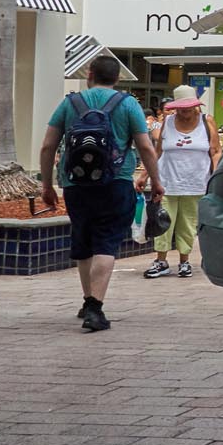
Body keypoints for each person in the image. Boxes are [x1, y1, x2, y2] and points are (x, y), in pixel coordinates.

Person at [39, 55, 163, 333]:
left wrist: (47, 186)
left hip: (75, 185)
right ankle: (95, 307)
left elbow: (48, 146)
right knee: (106, 242)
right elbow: (145, 146)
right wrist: (156, 180)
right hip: (116, 182)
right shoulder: (128, 104)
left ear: (90, 73)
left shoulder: (70, 103)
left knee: (84, 241)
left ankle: (87, 300)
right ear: (117, 78)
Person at [144, 84, 220, 279]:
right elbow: (158, 151)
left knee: (188, 224)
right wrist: (145, 175)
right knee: (163, 222)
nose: (185, 112)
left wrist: (217, 176)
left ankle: (184, 261)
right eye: (181, 109)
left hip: (196, 183)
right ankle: (161, 261)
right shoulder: (167, 122)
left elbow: (215, 151)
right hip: (167, 182)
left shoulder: (206, 121)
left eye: (188, 108)